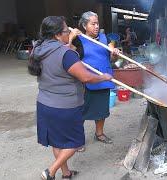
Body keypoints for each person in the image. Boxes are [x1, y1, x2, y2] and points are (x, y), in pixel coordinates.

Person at [28, 16, 112, 179]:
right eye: (67, 30)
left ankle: (66, 173)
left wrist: (70, 42)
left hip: (44, 104)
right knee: (74, 143)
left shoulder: (39, 49)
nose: (70, 32)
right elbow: (86, 78)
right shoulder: (66, 54)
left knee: (57, 141)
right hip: (64, 107)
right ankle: (50, 172)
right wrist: (104, 77)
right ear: (58, 35)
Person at [70, 11, 119, 145]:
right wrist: (70, 37)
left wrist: (115, 53)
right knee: (82, 112)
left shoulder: (105, 39)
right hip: (87, 81)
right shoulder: (79, 40)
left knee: (102, 110)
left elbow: (112, 58)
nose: (96, 26)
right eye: (93, 24)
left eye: (97, 23)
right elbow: (67, 53)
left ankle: (99, 133)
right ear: (85, 26)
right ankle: (78, 140)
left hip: (104, 79)